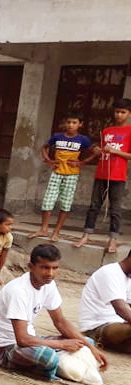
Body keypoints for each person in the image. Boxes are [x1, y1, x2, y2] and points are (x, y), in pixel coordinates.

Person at [0, 244, 108, 379]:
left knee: (85, 342)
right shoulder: (18, 291)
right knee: (48, 357)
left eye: (55, 268)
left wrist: (90, 348)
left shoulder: (49, 285)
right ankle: (56, 364)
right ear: (31, 267)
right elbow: (22, 339)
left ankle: (58, 364)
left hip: (31, 341)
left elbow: (60, 321)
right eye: (45, 267)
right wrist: (61, 345)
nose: (50, 273)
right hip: (5, 349)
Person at [74, 98, 131, 253]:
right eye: (117, 112)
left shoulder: (129, 131)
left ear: (128, 114)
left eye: (123, 112)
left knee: (115, 209)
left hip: (118, 175)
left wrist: (115, 151)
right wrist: (98, 151)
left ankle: (112, 240)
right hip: (102, 172)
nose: (119, 115)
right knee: (94, 206)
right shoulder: (107, 131)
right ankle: (86, 235)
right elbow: (101, 150)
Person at [29, 114, 94, 242]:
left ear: (80, 124)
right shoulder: (57, 137)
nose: (70, 125)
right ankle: (44, 229)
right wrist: (48, 160)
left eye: (74, 122)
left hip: (72, 174)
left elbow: (95, 151)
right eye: (69, 122)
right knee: (48, 201)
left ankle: (57, 231)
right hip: (56, 173)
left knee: (66, 204)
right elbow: (44, 147)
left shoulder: (83, 139)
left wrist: (81, 163)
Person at [79, 249, 131, 353]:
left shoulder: (128, 278)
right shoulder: (110, 272)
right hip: (96, 328)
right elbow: (120, 309)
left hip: (119, 326)